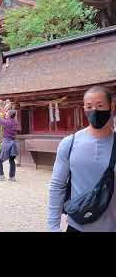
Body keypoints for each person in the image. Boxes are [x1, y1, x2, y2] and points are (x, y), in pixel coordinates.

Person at [48, 86, 116, 232]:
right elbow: (57, 186)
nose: (94, 111)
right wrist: (53, 226)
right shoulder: (69, 143)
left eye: (100, 105)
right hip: (77, 225)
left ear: (111, 106)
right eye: (89, 106)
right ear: (84, 109)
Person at [0, 106, 19, 182]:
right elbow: (7, 118)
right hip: (14, 143)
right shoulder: (15, 122)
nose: (6, 114)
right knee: (11, 160)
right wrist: (5, 112)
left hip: (7, 142)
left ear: (9, 115)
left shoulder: (7, 122)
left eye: (7, 113)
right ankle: (12, 177)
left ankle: (1, 176)